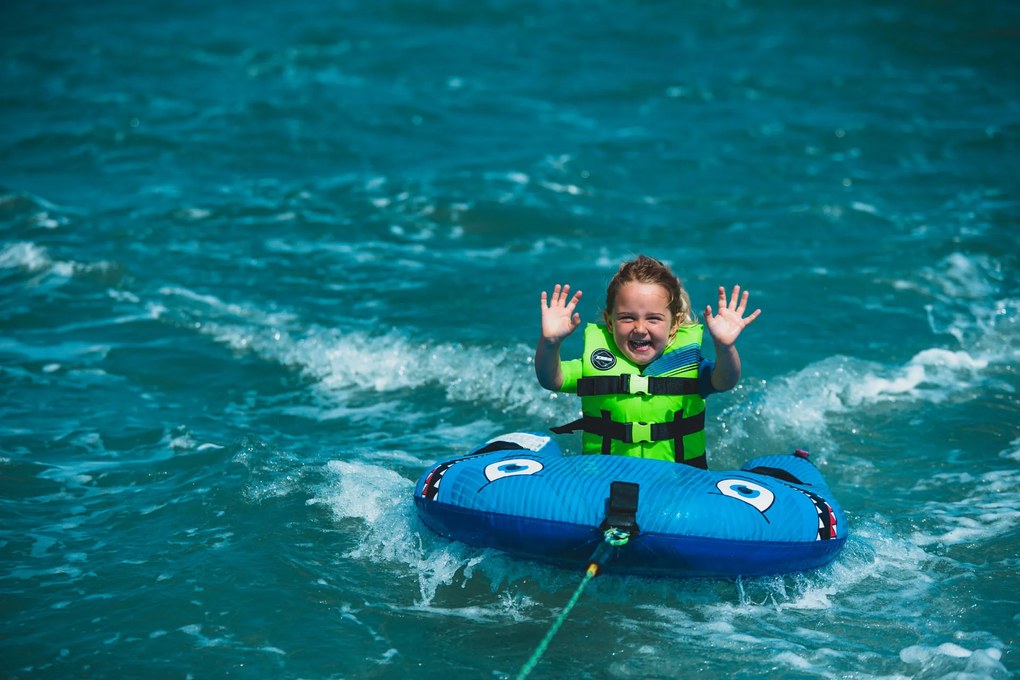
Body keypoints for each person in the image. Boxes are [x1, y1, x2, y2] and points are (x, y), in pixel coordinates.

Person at [535, 254, 760, 469]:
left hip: (675, 481)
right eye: (627, 317)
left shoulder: (689, 366)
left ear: (674, 324)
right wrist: (550, 343)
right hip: (602, 478)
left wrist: (725, 347)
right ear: (609, 321)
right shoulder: (594, 364)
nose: (640, 329)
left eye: (653, 319)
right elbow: (551, 380)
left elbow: (726, 380)